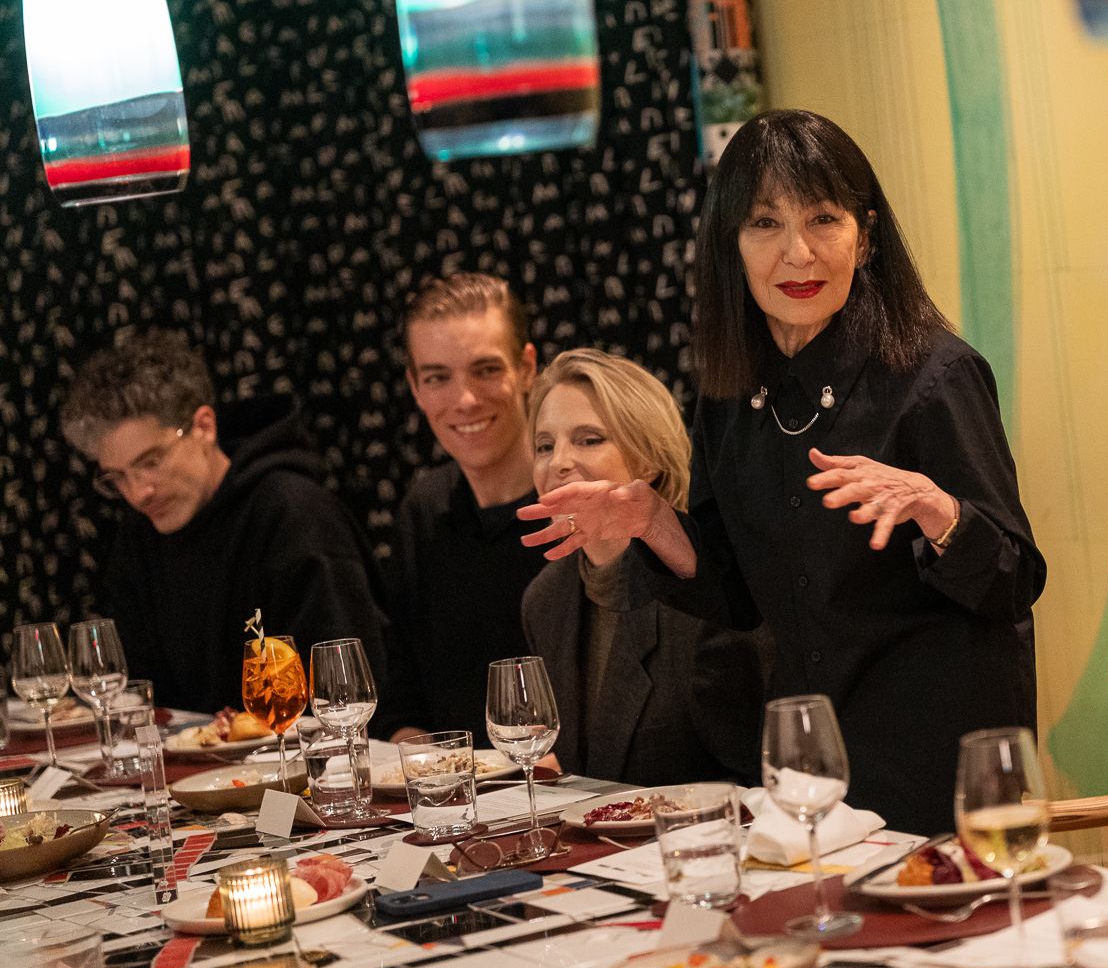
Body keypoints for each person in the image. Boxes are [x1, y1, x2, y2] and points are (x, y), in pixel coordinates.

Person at [519, 108, 1045, 833]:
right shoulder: (732, 392)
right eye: (765, 224)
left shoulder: (933, 375)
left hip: (939, 763)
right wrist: (653, 522)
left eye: (823, 219)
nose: (798, 253)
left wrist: (935, 507)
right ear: (729, 245)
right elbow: (734, 593)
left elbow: (1016, 577)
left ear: (864, 239)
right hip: (812, 769)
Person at [60, 329, 391, 713]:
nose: (138, 493)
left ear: (203, 426)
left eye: (150, 462)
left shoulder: (292, 512)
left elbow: (345, 693)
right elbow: (142, 692)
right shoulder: (139, 537)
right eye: (116, 477)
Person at [520, 349, 766, 783]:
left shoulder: (702, 592)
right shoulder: (545, 598)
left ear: (648, 461)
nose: (557, 462)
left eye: (588, 439)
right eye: (544, 445)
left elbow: (757, 778)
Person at [383, 274, 543, 736]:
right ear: (415, 387)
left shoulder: (581, 507)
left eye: (486, 370)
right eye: (438, 377)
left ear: (527, 367)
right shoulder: (423, 510)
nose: (465, 400)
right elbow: (400, 701)